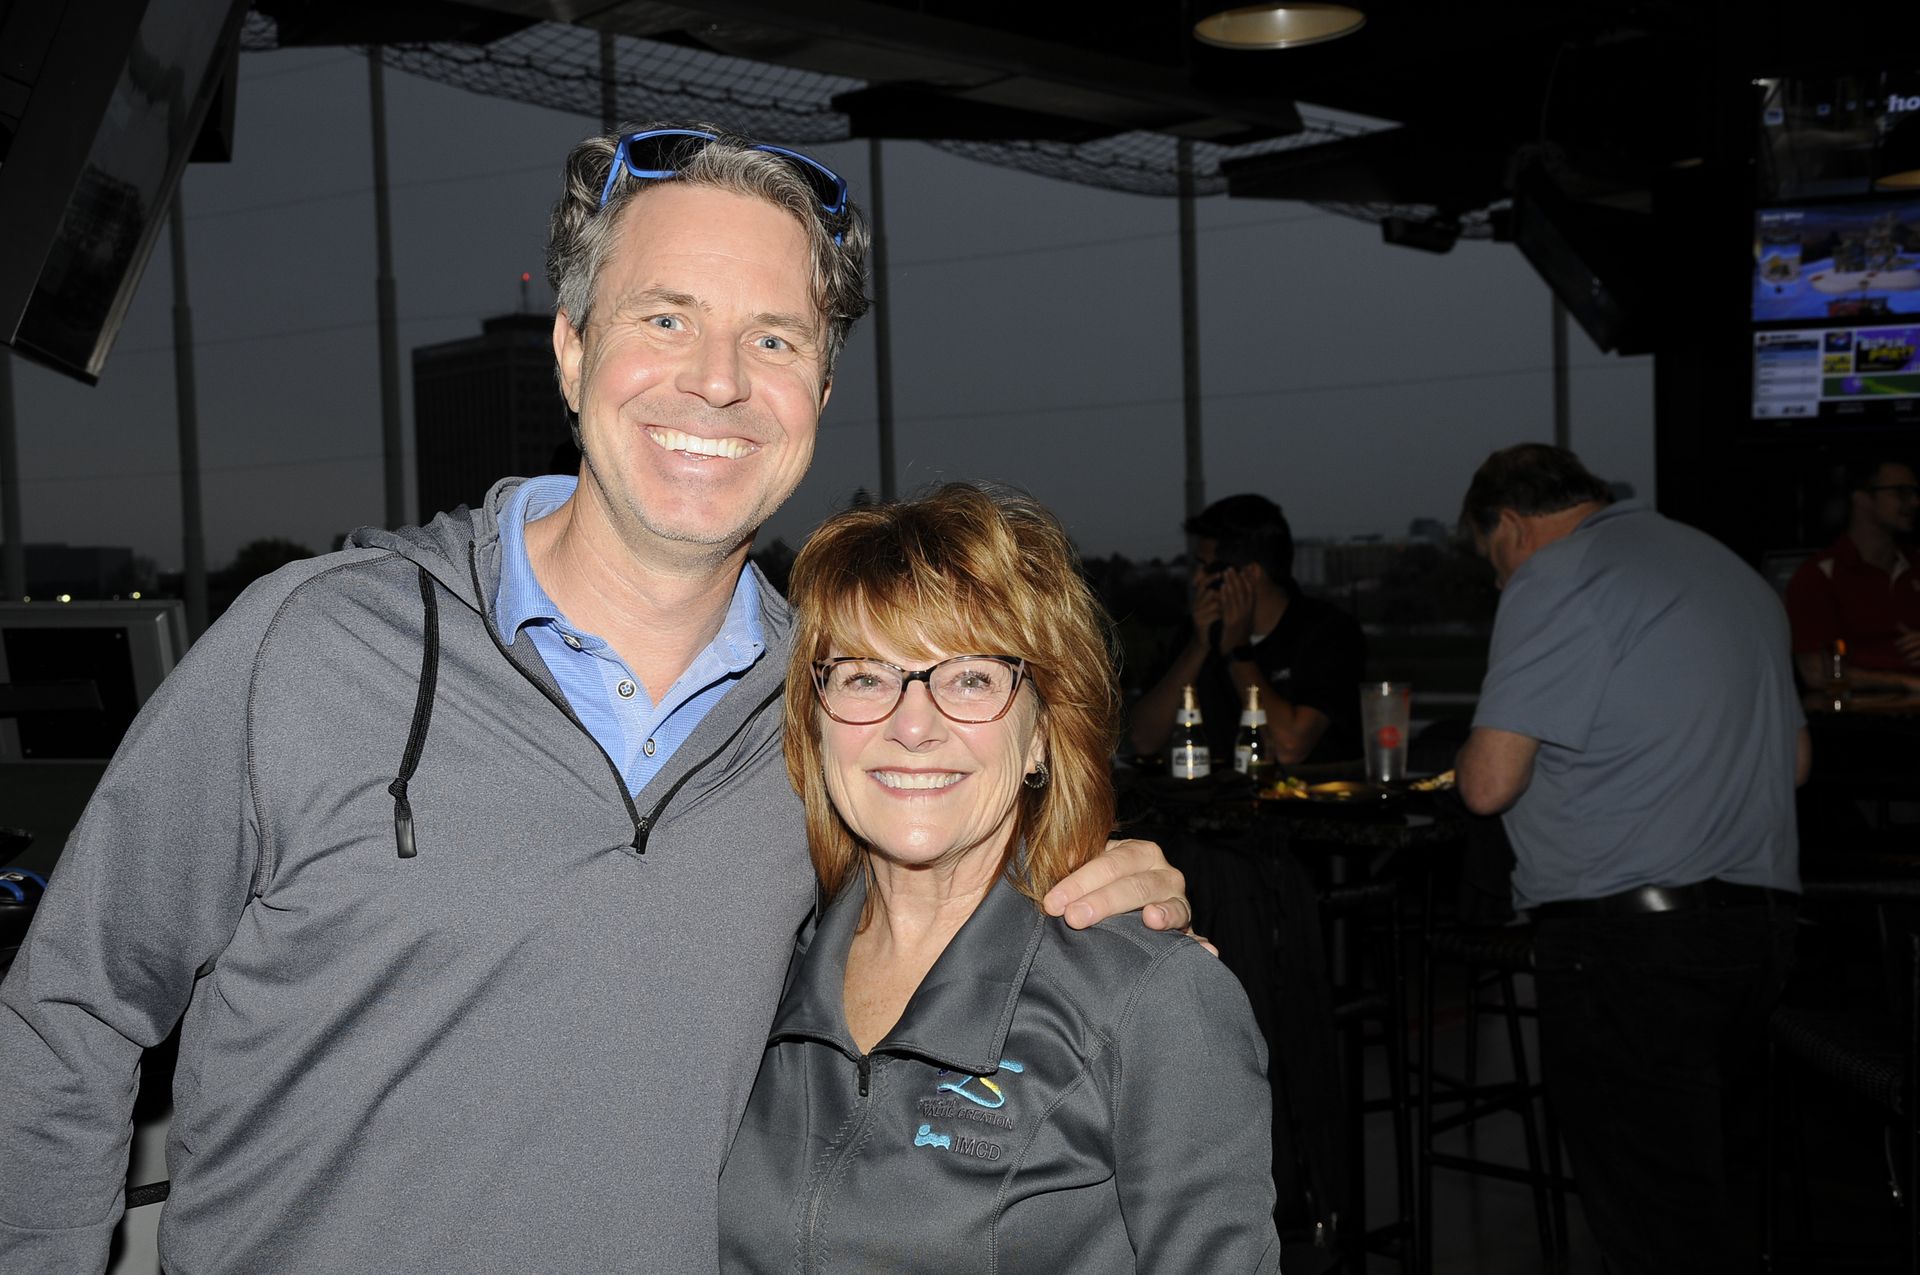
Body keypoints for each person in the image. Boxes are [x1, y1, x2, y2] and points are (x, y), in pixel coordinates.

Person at [0, 125, 1188, 1274]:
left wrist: (1088, 896)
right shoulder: (314, 645)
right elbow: (67, 1007)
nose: (717, 381)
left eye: (774, 341)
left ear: (820, 391)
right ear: (571, 352)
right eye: (665, 319)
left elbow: (941, 929)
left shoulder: (839, 714)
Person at [718, 484, 1280, 1273]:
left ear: (1045, 732)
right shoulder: (757, 973)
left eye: (973, 678)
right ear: (814, 725)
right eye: (864, 676)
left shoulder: (1152, 1000)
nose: (912, 725)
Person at [1454, 443, 1807, 1275]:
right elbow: (1796, 765)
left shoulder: (1556, 575)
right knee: (1721, 1197)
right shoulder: (1728, 569)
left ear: (1511, 525)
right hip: (1760, 932)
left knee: (1655, 1225)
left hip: (1629, 949)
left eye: (1492, 561)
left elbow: (1488, 784)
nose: (1501, 583)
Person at [1128, 493, 1365, 767]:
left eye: (1207, 569)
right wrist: (1198, 647)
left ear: (1249, 575)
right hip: (1215, 807)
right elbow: (1142, 739)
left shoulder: (1329, 633)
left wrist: (1238, 652)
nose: (1197, 580)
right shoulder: (1199, 631)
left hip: (1306, 806)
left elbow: (1290, 746)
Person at [1784, 457, 1920, 694]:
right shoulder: (1819, 576)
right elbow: (1815, 673)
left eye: (1914, 492)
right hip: (1857, 721)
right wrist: (1903, 682)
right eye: (1902, 492)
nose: (1915, 502)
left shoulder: (1915, 564)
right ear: (1862, 498)